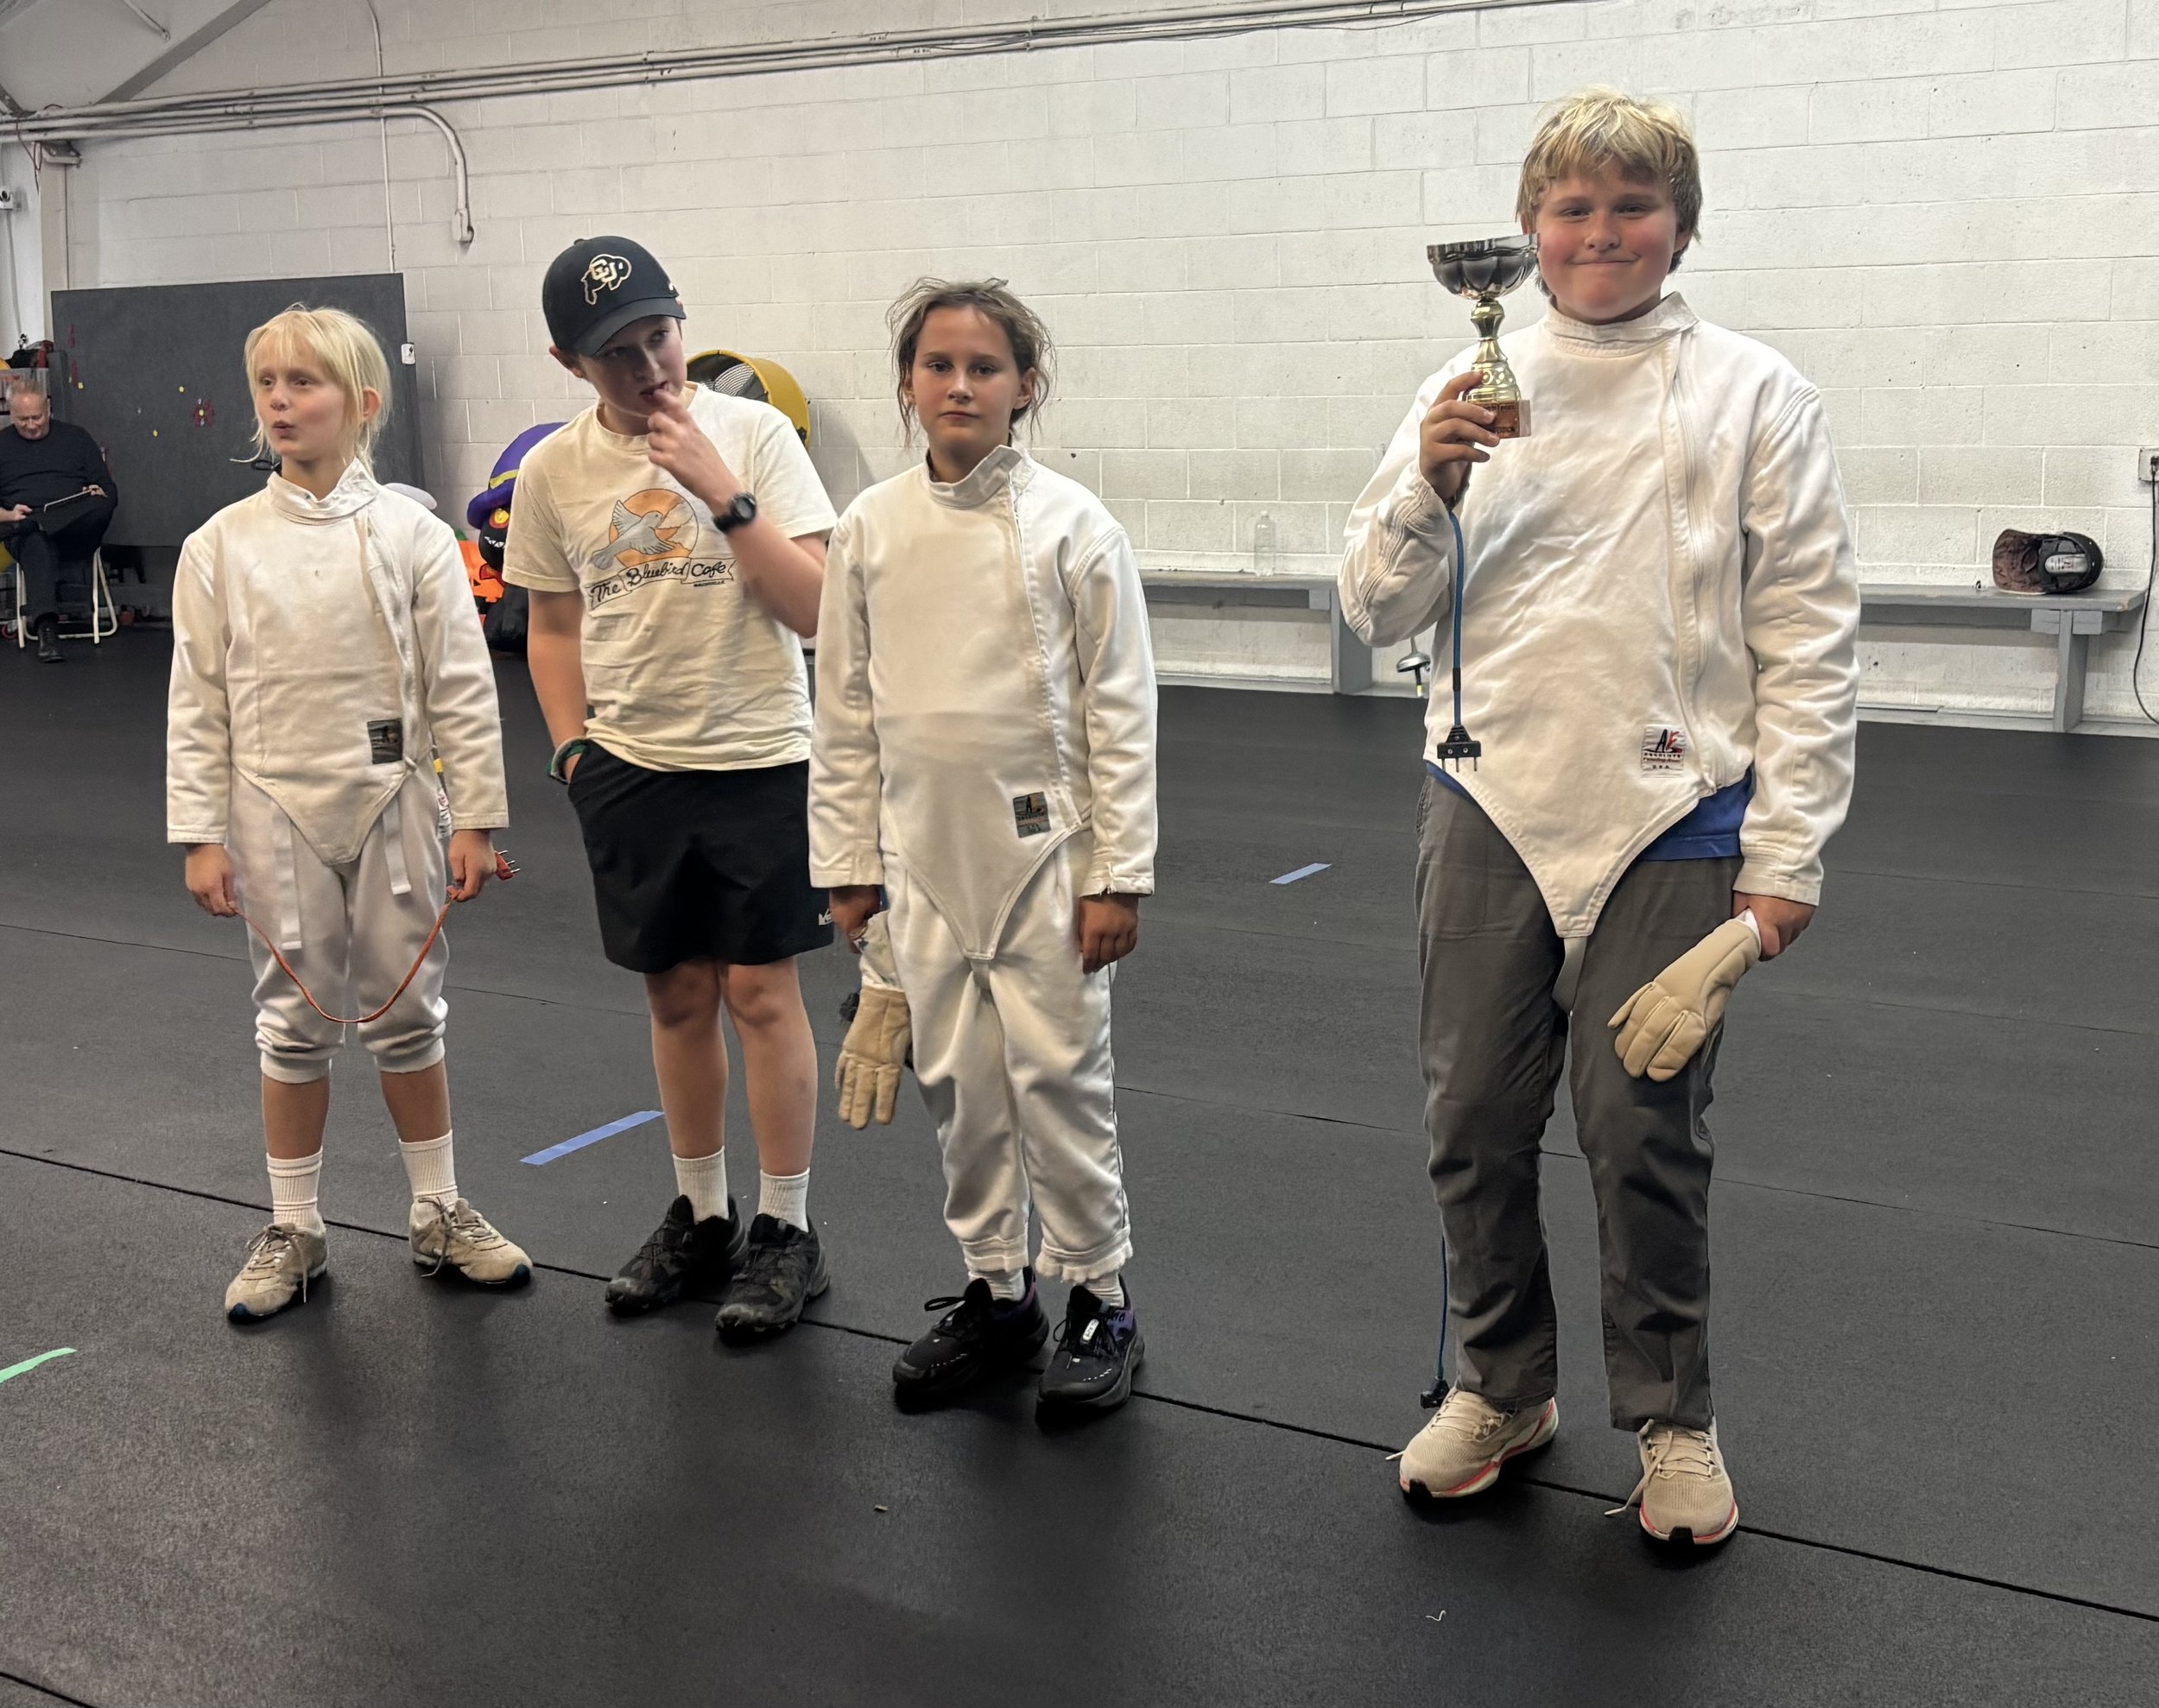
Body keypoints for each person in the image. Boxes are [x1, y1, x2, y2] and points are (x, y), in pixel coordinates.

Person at [1339, 89, 1859, 1544]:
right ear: (1527, 232)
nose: (1601, 233)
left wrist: (1787, 852)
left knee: (1643, 1132)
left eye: (1633, 206)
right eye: (1572, 208)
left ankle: (1676, 1418)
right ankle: (1505, 1384)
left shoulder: (1758, 391)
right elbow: (1374, 611)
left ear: (1679, 225)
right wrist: (1427, 484)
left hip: (1673, 808)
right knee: (1472, 1120)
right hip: (1487, 792)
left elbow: (1810, 631)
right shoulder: (1466, 381)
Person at [810, 279, 1158, 1415]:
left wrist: (1119, 872)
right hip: (922, 861)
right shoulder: (867, 526)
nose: (960, 384)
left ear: (1026, 388)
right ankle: (996, 1290)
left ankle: (1101, 1297)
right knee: (959, 1089)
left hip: (1048, 861)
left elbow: (1119, 707)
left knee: (1061, 1082)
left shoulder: (1072, 523)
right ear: (909, 385)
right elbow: (846, 707)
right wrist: (849, 861)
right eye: (938, 365)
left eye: (985, 367)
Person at [503, 237, 839, 1339]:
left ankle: (785, 1231)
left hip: (758, 760)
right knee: (676, 995)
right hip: (632, 770)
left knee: (759, 993)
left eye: (660, 335)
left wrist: (724, 494)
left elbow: (820, 609)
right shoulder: (555, 471)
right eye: (619, 354)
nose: (650, 367)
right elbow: (550, 624)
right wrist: (570, 749)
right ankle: (702, 1215)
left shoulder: (756, 436)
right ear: (570, 361)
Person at [167, 305, 528, 1321]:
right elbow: (197, 697)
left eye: (305, 383)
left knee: (409, 1012)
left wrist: (476, 818)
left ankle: (440, 1208)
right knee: (290, 1026)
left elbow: (461, 683)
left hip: (397, 798)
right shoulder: (219, 545)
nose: (280, 401)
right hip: (271, 803)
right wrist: (200, 834)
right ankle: (296, 1227)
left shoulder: (412, 534)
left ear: (362, 403)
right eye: (268, 383)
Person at [0, 383, 118, 662]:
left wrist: (92, 494)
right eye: (22, 420)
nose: (31, 425)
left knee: (98, 504)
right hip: (24, 528)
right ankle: (46, 629)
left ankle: (39, 524)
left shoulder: (76, 438)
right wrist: (7, 516)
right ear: (10, 414)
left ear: (49, 409)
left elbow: (109, 493)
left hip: (77, 529)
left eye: (37, 417)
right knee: (35, 541)